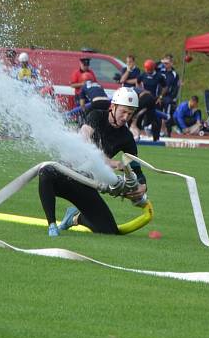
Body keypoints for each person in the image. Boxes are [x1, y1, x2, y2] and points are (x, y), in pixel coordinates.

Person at [39, 87, 147, 237]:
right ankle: (52, 225)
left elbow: (138, 170)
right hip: (67, 174)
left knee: (109, 231)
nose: (125, 117)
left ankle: (75, 218)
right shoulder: (96, 116)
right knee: (46, 172)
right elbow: (84, 143)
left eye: (130, 113)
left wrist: (142, 186)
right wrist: (113, 163)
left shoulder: (127, 138)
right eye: (123, 111)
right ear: (113, 107)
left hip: (87, 185)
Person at [159, 55, 180, 136]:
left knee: (166, 115)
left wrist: (172, 97)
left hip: (168, 98)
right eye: (165, 63)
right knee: (158, 113)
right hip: (159, 96)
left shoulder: (174, 74)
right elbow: (153, 65)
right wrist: (161, 61)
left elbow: (176, 87)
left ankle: (166, 131)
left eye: (167, 63)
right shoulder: (161, 71)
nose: (166, 64)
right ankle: (160, 130)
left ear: (171, 63)